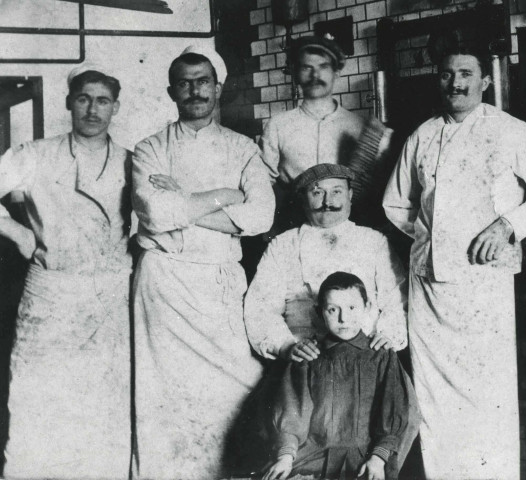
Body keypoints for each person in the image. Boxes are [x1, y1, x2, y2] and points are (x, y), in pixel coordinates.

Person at [382, 43, 526, 479]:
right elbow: (395, 203)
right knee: (434, 401)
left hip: (485, 284)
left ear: (484, 82)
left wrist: (508, 227)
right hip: (428, 286)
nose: (455, 82)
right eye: (445, 73)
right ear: (437, 80)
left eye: (465, 73)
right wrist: (430, 237)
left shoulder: (510, 129)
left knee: (487, 397)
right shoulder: (422, 135)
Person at [131, 45, 275, 479]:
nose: (195, 90)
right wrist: (224, 197)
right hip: (165, 285)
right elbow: (155, 214)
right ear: (171, 91)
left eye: (203, 81)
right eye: (185, 82)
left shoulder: (244, 149)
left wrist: (183, 200)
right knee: (165, 397)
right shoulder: (149, 148)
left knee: (234, 389)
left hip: (219, 284)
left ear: (218, 87)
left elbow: (260, 217)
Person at [0, 64, 132, 478]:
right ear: (68, 103)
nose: (93, 109)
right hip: (51, 294)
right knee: (35, 402)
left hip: (109, 297)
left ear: (115, 108)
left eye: (103, 101)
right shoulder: (35, 154)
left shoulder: (133, 160)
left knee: (104, 406)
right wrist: (20, 234)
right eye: (83, 99)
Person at [263, 272, 419, 480]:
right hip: (313, 457)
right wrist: (286, 456)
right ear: (319, 313)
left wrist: (378, 458)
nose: (343, 318)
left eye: (352, 308)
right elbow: (292, 412)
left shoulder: (381, 355)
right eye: (332, 310)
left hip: (367, 458)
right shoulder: (309, 356)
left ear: (367, 307)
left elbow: (395, 413)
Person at [244, 163, 407, 361]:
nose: (327, 202)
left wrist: (388, 336)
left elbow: (398, 299)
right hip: (305, 355)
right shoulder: (283, 245)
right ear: (303, 200)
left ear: (350, 195)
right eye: (317, 193)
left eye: (336, 191)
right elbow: (260, 307)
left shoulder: (374, 241)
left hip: (367, 353)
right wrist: (286, 346)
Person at [259, 35, 365, 233]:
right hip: (293, 227)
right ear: (295, 73)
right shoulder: (278, 125)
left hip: (348, 229)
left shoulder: (358, 125)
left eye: (323, 66)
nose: (315, 75)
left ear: (337, 72)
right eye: (307, 67)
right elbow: (262, 184)